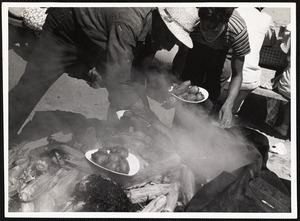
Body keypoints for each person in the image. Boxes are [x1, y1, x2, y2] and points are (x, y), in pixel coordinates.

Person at [9, 7, 199, 141]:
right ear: (161, 21)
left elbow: (136, 76)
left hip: (99, 36)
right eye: (170, 37)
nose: (170, 45)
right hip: (66, 30)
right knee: (30, 88)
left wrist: (154, 105)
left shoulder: (154, 31)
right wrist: (153, 122)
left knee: (125, 94)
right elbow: (119, 82)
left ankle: (115, 140)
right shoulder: (130, 20)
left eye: (175, 41)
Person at [173, 7, 250, 128]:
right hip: (196, 50)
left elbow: (237, 74)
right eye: (204, 29)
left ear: (225, 24)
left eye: (215, 31)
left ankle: (198, 135)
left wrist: (229, 104)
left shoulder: (238, 31)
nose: (208, 36)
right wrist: (175, 83)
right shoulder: (192, 21)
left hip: (221, 56)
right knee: (184, 101)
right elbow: (182, 55)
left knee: (207, 105)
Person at [219, 7, 274, 114]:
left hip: (227, 77)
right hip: (249, 80)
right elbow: (271, 41)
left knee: (213, 112)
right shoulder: (267, 18)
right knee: (228, 114)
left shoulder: (233, 12)